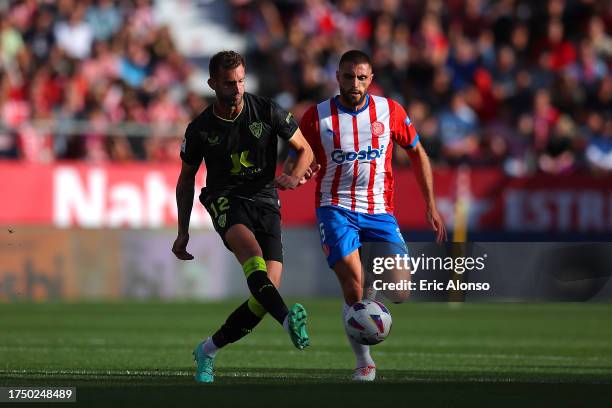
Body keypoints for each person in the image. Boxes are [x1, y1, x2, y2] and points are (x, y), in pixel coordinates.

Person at [288, 50, 446, 381]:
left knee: (401, 292)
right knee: (352, 286)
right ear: (338, 77)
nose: (355, 83)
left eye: (362, 77)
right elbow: (299, 155)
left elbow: (417, 152)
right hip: (336, 208)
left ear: (370, 79)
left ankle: (368, 298)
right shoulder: (318, 117)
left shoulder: (390, 111)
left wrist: (430, 203)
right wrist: (295, 174)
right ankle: (364, 361)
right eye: (348, 76)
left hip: (379, 211)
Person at [172, 50, 314, 383]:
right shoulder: (200, 128)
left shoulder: (266, 111)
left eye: (240, 81)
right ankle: (287, 321)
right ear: (211, 83)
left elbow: (304, 149)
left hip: (265, 200)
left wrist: (293, 176)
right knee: (252, 257)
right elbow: (186, 178)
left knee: (266, 292)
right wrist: (182, 231)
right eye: (228, 83)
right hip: (225, 199)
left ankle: (207, 349)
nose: (236, 89)